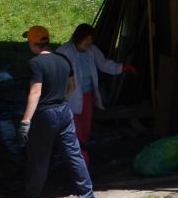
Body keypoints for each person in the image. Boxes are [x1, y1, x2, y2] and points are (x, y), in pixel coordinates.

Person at [19, 25, 100, 198]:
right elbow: (72, 85)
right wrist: (62, 98)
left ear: (33, 43)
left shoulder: (36, 63)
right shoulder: (63, 59)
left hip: (45, 114)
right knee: (74, 155)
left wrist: (26, 121)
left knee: (39, 159)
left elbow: (36, 91)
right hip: (65, 111)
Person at [56, 24, 135, 165]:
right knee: (75, 131)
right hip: (69, 97)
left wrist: (122, 68)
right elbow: (54, 72)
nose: (89, 42)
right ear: (78, 38)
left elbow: (104, 64)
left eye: (91, 39)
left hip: (87, 96)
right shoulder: (64, 52)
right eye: (86, 39)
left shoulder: (92, 51)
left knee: (85, 129)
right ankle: (80, 161)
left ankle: (79, 156)